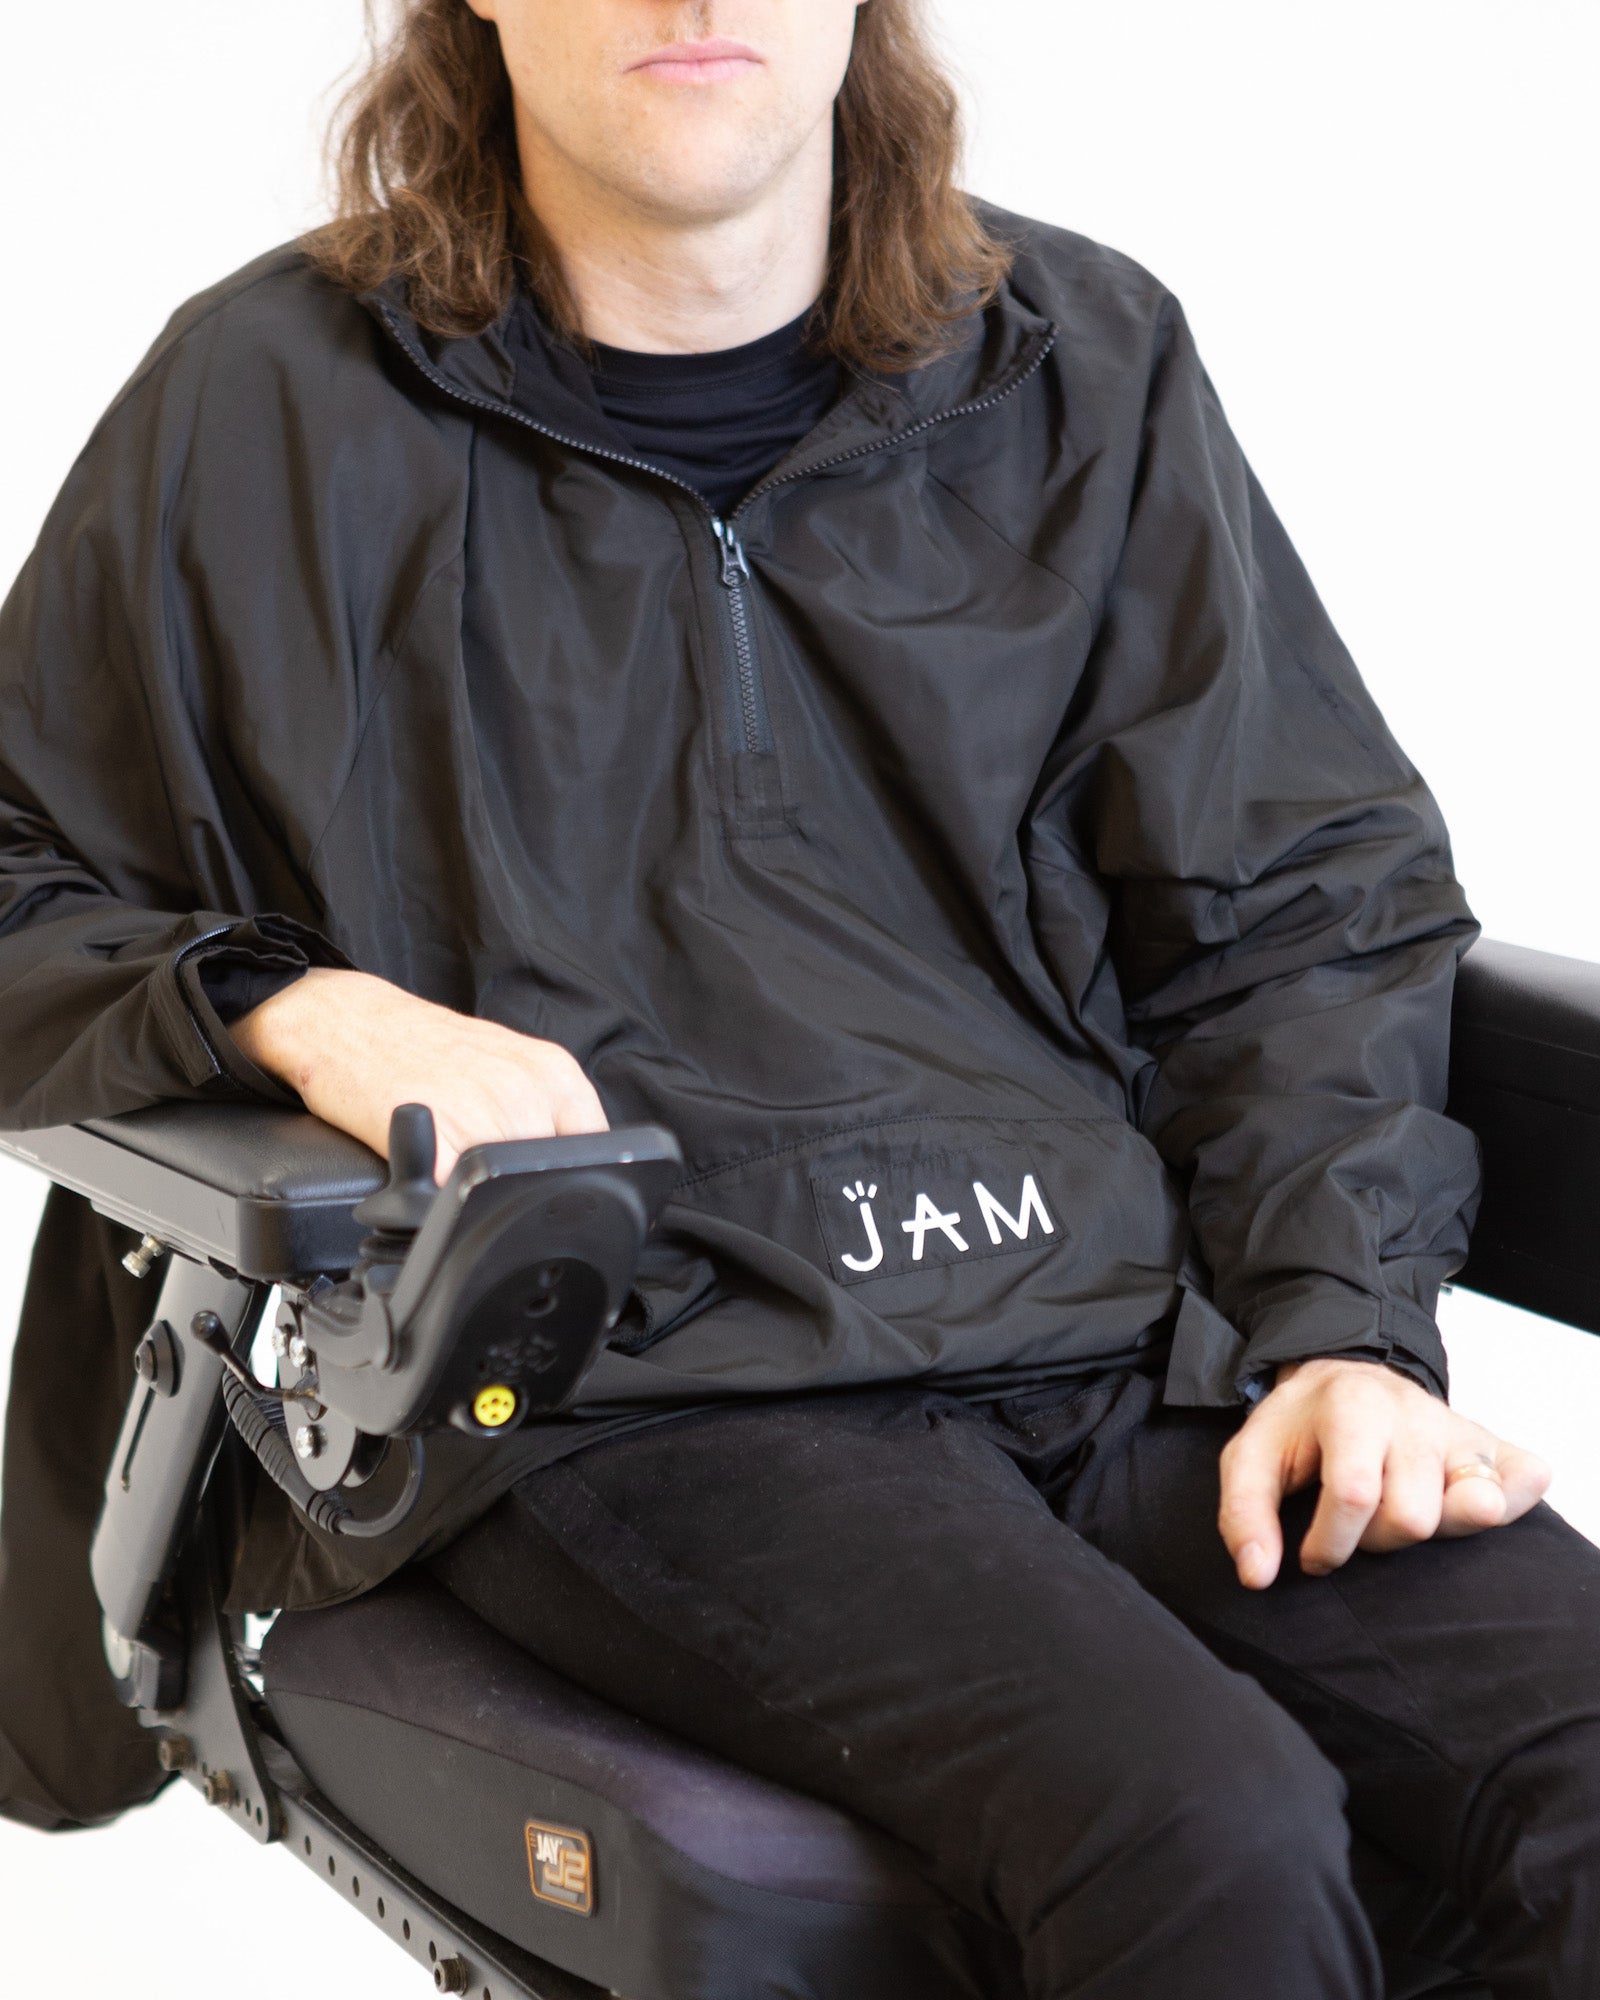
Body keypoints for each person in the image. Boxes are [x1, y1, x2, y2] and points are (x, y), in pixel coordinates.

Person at [0, 1, 1595, 1992]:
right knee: (1204, 1828)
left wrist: (1346, 1329)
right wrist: (292, 1006)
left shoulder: (1078, 365)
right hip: (629, 1376)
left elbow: (1299, 901)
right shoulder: (267, 406)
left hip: (1115, 1333)